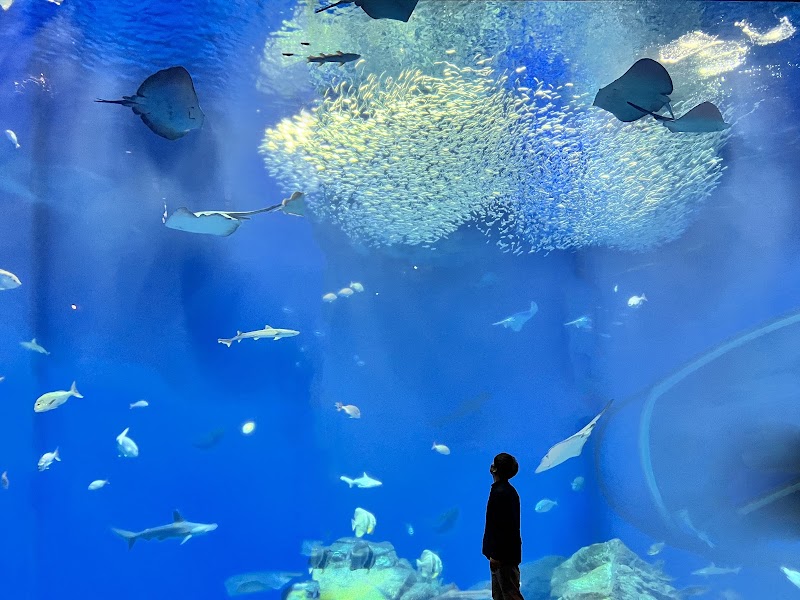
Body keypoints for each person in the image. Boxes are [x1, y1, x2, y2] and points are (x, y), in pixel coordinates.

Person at [482, 452, 524, 600]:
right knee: (499, 595)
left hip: (503, 556)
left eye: (494, 463)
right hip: (502, 555)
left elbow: (503, 528)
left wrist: (496, 554)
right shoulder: (503, 490)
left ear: (494, 469)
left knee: (510, 594)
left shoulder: (502, 493)